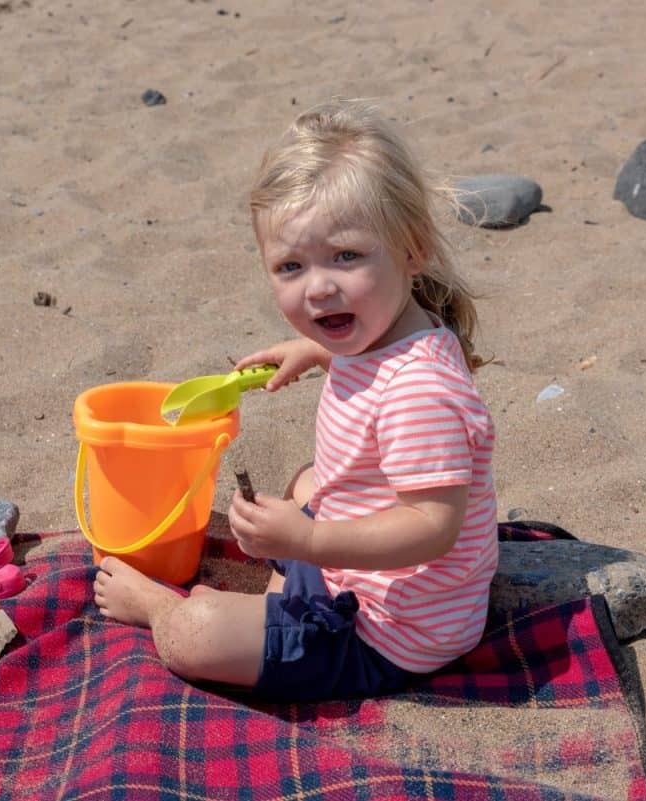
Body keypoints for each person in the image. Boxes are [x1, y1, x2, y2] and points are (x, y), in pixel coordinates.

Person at [93, 99, 497, 702]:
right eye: (290, 266)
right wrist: (315, 352)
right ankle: (282, 587)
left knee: (195, 635)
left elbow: (434, 527)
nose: (319, 287)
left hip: (385, 632)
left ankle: (152, 605)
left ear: (413, 250)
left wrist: (305, 544)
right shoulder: (394, 337)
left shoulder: (420, 394)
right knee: (311, 480)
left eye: (347, 256)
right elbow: (378, 372)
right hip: (357, 569)